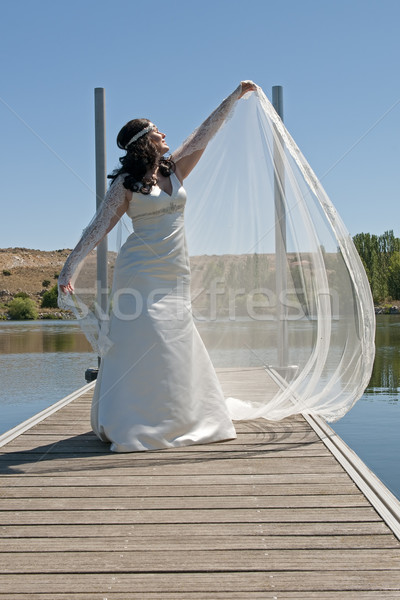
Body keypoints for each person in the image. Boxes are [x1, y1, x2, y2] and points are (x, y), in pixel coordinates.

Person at [58, 80, 257, 452]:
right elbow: (98, 226)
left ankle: (182, 415)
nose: (166, 134)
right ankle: (134, 420)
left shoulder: (175, 169)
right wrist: (69, 268)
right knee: (145, 337)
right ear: (146, 141)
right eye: (157, 130)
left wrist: (233, 98)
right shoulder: (125, 184)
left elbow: (204, 134)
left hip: (175, 271)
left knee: (175, 338)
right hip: (140, 270)